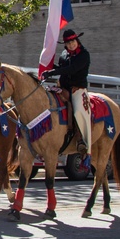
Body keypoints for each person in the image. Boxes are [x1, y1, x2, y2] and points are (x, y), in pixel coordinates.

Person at [42, 28, 92, 167]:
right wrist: (48, 64)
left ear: (77, 40)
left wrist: (53, 72)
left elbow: (72, 69)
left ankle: (81, 139)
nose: (71, 45)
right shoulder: (64, 54)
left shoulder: (84, 55)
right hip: (63, 87)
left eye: (72, 42)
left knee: (78, 111)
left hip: (77, 89)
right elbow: (62, 68)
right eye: (68, 43)